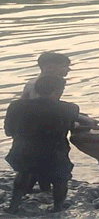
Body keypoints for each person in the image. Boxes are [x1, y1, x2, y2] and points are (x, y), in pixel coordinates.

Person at [5, 76, 79, 213]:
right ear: (57, 91)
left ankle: (13, 206)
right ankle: (58, 209)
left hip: (21, 152)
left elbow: (9, 132)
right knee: (61, 179)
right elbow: (73, 128)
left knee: (24, 173)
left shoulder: (16, 106)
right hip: (53, 154)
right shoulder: (69, 108)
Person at [22, 52, 99, 130]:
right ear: (49, 67)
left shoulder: (37, 83)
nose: (68, 70)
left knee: (84, 117)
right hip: (42, 125)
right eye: (64, 67)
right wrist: (79, 123)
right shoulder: (35, 86)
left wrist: (83, 118)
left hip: (47, 118)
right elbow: (44, 111)